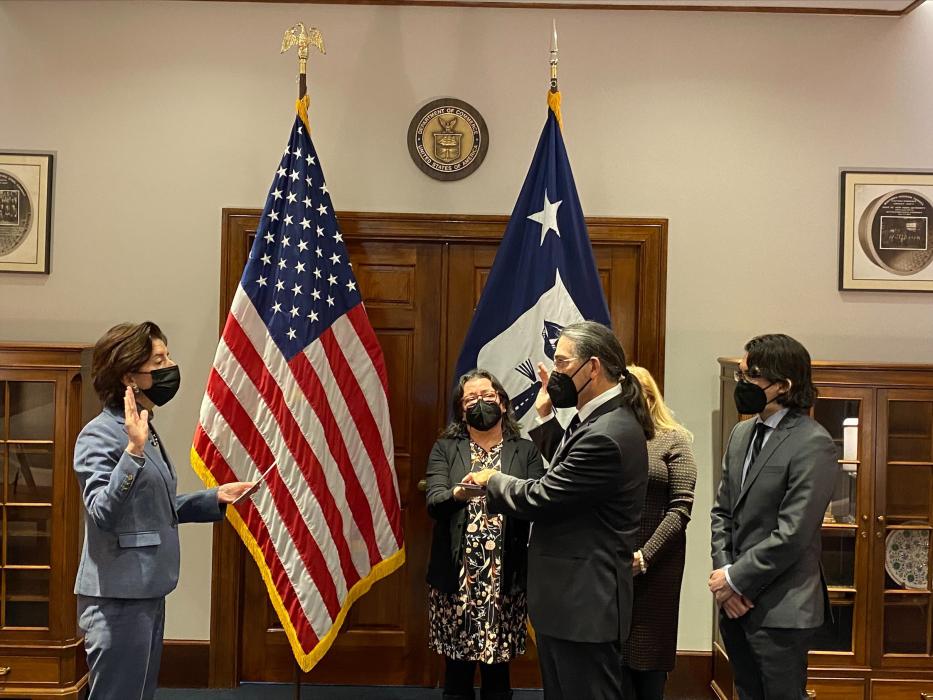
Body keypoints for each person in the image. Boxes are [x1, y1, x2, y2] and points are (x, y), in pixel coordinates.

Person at [467, 321, 652, 700]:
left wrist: (492, 479)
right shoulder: (599, 419)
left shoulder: (607, 431)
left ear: (593, 367)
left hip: (583, 604)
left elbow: (547, 496)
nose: (554, 373)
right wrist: (547, 417)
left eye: (563, 363)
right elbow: (569, 475)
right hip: (571, 603)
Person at [73, 322, 254, 700]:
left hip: (148, 589)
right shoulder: (100, 434)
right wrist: (133, 453)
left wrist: (214, 497)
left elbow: (151, 508)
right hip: (117, 598)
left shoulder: (142, 427)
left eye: (167, 355)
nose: (171, 365)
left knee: (139, 693)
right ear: (129, 376)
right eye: (160, 360)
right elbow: (101, 512)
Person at [709, 333, 838, 700]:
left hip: (782, 609)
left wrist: (736, 579)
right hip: (734, 606)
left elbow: (793, 533)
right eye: (741, 374)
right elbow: (722, 512)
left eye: (752, 377)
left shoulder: (813, 443)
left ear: (783, 385)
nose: (743, 384)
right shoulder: (740, 433)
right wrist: (725, 579)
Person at [425, 369, 544, 700]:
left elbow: (537, 500)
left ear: (503, 403)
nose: (480, 403)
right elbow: (434, 502)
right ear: (462, 410)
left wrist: (500, 486)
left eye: (487, 396)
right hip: (456, 581)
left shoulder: (526, 450)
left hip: (504, 580)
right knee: (457, 678)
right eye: (471, 399)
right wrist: (459, 495)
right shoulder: (446, 448)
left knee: (497, 679)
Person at [622, 365, 697, 700]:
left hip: (656, 568)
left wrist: (645, 556)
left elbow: (680, 507)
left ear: (650, 396)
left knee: (648, 665)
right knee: (615, 668)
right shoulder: (609, 438)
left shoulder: (674, 439)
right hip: (613, 567)